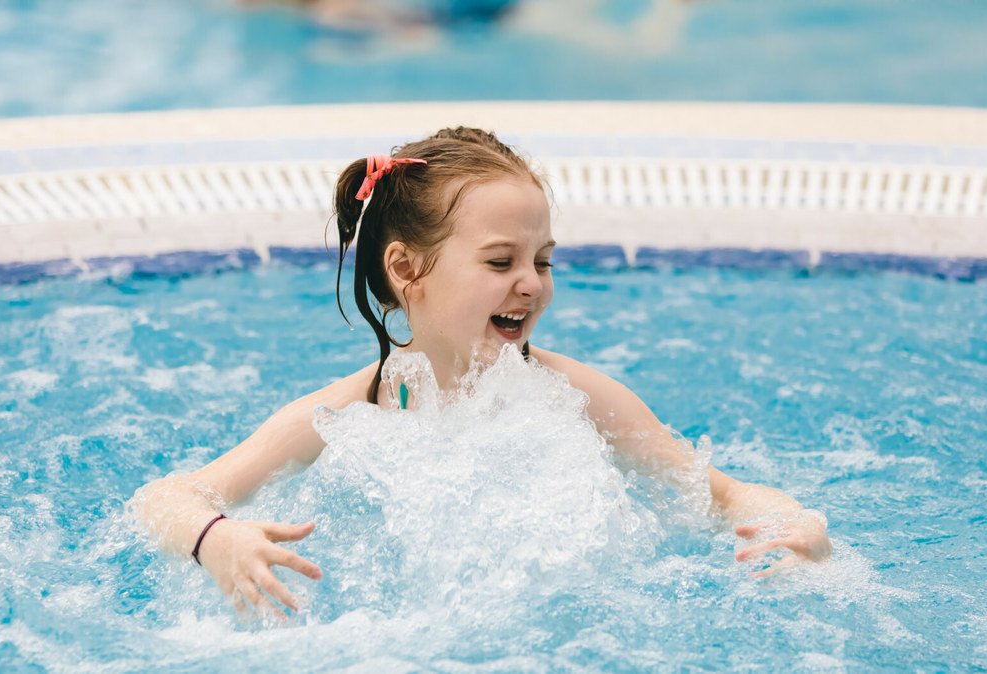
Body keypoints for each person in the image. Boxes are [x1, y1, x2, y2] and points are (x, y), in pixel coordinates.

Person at [130, 126, 832, 616]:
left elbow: (718, 494)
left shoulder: (576, 396)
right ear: (407, 270)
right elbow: (165, 497)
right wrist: (214, 539)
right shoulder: (352, 411)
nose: (531, 284)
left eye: (543, 260)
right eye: (501, 263)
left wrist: (796, 526)